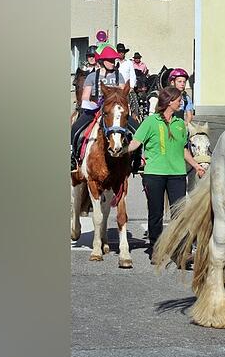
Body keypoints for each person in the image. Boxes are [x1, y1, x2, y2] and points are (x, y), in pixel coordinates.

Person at [125, 86, 206, 258]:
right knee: (156, 213)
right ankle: (156, 249)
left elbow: (183, 150)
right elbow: (135, 143)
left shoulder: (180, 124)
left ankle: (182, 250)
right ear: (169, 102)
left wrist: (196, 165)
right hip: (154, 174)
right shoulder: (150, 121)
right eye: (179, 100)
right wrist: (119, 151)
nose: (181, 103)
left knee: (180, 214)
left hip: (177, 174)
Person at [70, 45, 125, 171]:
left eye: (113, 60)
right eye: (110, 60)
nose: (112, 63)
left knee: (135, 127)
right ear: (102, 61)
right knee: (75, 128)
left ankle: (137, 159)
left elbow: (123, 95)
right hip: (95, 109)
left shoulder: (119, 76)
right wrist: (93, 105)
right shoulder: (92, 76)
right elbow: (85, 97)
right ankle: (73, 157)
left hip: (113, 111)